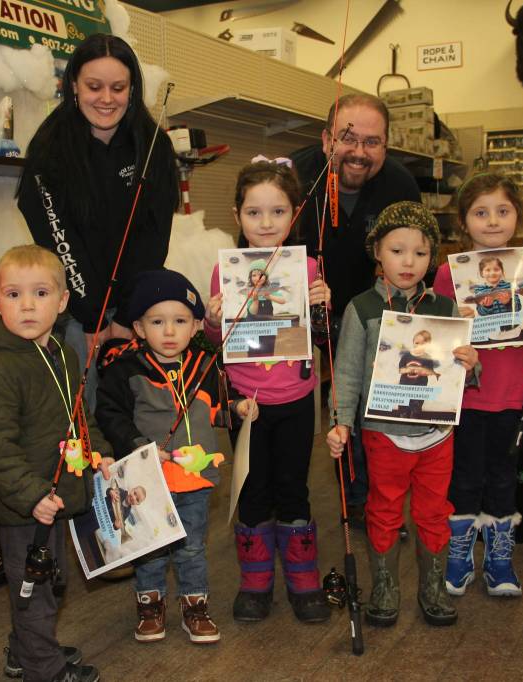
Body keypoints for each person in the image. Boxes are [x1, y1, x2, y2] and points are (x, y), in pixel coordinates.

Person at [326, 202, 478, 629]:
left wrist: (471, 362)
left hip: (436, 433)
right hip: (383, 433)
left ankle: (432, 589)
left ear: (433, 256)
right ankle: (385, 587)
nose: (408, 262)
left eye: (421, 252)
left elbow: (464, 377)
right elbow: (348, 373)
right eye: (397, 250)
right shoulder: (362, 308)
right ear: (377, 251)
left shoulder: (448, 309)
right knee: (384, 509)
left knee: (433, 512)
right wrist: (340, 421)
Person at [17, 33, 179, 414]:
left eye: (118, 88)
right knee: (83, 420)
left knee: (137, 417)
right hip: (75, 314)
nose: (106, 99)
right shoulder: (50, 146)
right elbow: (57, 237)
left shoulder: (153, 145)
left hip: (134, 314)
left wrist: (125, 316)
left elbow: (155, 238)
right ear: (73, 85)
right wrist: (92, 319)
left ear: (132, 89)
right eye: (94, 86)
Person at [0, 245, 106, 682]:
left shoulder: (62, 354)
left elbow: (79, 412)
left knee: (52, 581)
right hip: (24, 504)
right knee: (36, 590)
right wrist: (32, 496)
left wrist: (100, 450)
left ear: (62, 302)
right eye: (13, 294)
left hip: (56, 494)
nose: (27, 305)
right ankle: (42, 669)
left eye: (41, 293)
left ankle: (24, 648)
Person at [96, 269, 258, 644]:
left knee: (191, 549)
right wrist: (137, 443)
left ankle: (194, 609)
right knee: (150, 550)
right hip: (147, 481)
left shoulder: (206, 365)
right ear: (138, 327)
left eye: (180, 321)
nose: (169, 332)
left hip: (195, 482)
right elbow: (110, 416)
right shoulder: (125, 370)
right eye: (157, 321)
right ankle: (150, 608)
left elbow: (216, 408)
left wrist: (238, 409)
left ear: (197, 324)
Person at [203, 159, 332, 624]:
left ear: (293, 214)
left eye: (277, 212)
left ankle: (303, 578)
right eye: (254, 212)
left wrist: (320, 308)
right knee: (253, 490)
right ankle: (255, 581)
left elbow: (321, 340)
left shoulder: (309, 267)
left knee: (293, 487)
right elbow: (217, 343)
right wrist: (213, 320)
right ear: (237, 215)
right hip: (247, 404)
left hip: (297, 401)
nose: (265, 223)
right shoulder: (226, 272)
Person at [291, 93, 422, 527]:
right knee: (307, 416)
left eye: (373, 142)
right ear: (327, 138)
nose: (359, 152)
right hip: (302, 314)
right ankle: (292, 512)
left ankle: (369, 505)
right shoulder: (293, 175)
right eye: (348, 138)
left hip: (371, 314)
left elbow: (417, 256)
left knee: (369, 413)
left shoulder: (400, 184)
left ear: (386, 146)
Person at [432, 173, 523, 599]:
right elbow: (436, 338)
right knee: (464, 476)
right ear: (464, 221)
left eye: (502, 211)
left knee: (504, 475)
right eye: (480, 212)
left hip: (512, 394)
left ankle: (501, 557)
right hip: (466, 397)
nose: (492, 221)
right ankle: (461, 550)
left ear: (517, 217)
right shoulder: (449, 275)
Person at [397, 329, 440, 419]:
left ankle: (415, 414)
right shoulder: (406, 356)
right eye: (416, 343)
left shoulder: (428, 358)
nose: (418, 346)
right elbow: (400, 369)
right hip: (405, 384)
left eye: (422, 344)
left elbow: (429, 371)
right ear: (413, 342)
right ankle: (403, 412)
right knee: (403, 401)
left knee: (417, 402)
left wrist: (423, 373)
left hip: (420, 386)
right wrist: (406, 370)